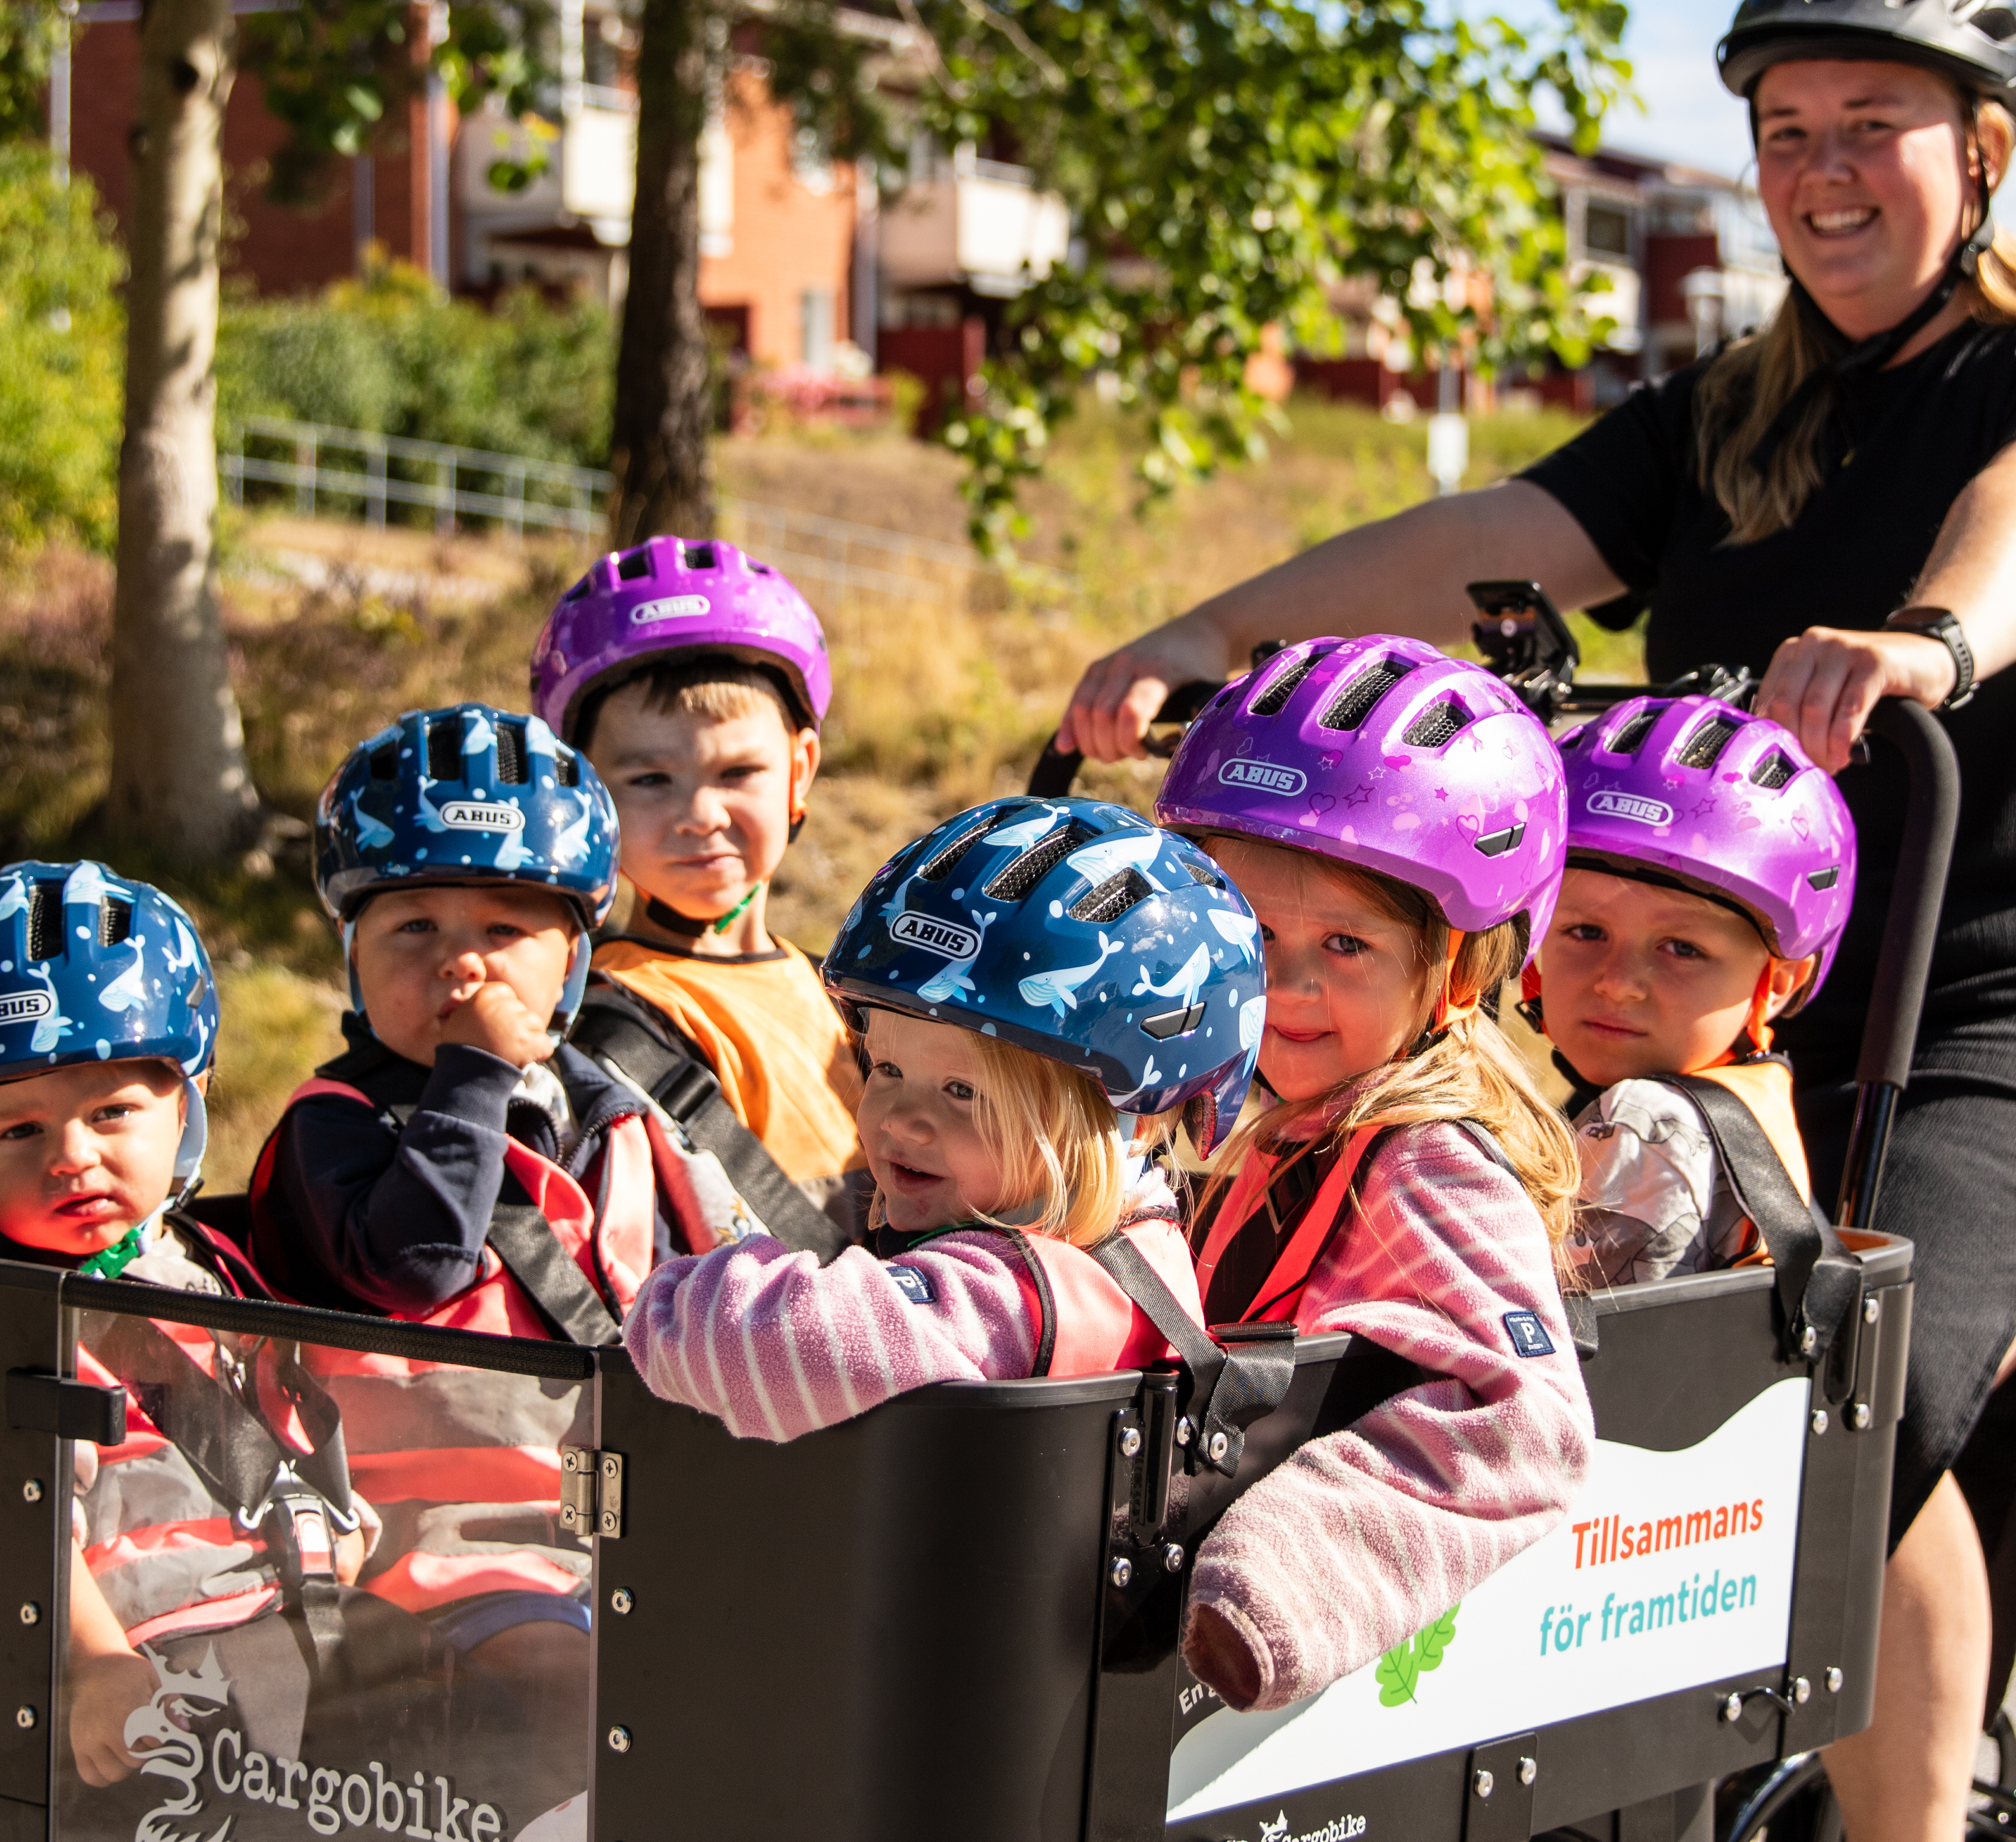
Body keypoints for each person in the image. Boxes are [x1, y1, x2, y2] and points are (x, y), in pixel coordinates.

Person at [1062, 0, 2016, 1841]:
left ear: (1986, 151)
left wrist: (1927, 641)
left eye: (1876, 122)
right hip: (1695, 984)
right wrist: (1200, 638)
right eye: (1786, 128)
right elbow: (1484, 536)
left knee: (1848, 1383)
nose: (1823, 168)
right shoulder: (1729, 414)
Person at [249, 702, 808, 1825]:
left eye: (507, 931)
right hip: (425, 1536)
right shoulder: (339, 1121)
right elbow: (412, 1268)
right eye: (413, 929)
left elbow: (724, 1257)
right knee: (574, 1698)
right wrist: (469, 1079)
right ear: (349, 956)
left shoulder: (611, 1115)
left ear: (575, 961)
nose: (462, 962)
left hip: (623, 1514)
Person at [1144, 635, 1596, 1715]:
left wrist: (1286, 1573)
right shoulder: (1264, 1115)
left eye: (1345, 943)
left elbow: (1526, 1428)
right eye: (1248, 931)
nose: (1284, 983)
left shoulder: (1428, 1160)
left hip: (1252, 1656)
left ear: (1460, 968)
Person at [0, 860, 381, 1817]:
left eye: (112, 1113)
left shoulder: (212, 1264)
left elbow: (284, 1414)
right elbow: (15, 1520)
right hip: (155, 1682)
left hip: (287, 1630)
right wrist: (98, 1663)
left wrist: (336, 1524)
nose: (72, 1157)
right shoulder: (15, 1323)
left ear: (185, 1111)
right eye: (17, 1132)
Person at [621, 796, 1263, 1429]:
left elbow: (757, 1347)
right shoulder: (1145, 1246)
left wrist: (668, 1303)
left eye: (962, 1092)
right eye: (887, 1070)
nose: (901, 1121)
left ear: (1139, 1118)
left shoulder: (1004, 1296)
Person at [531, 537, 866, 1227]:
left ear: (800, 773)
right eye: (651, 780)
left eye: (738, 774)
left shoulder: (842, 994)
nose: (700, 815)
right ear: (586, 795)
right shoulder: (608, 1019)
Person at [1526, 691, 1849, 1286]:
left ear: (1776, 982)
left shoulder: (1643, 1124)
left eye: (1683, 949)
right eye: (1586, 931)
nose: (1619, 983)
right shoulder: (1746, 1112)